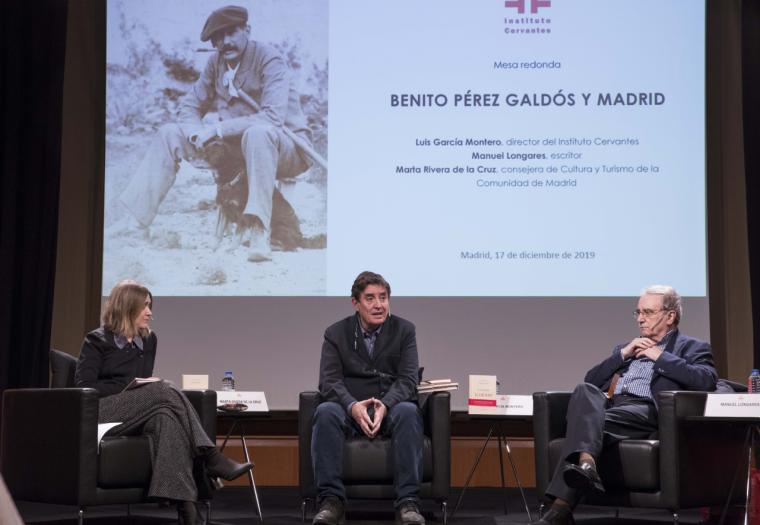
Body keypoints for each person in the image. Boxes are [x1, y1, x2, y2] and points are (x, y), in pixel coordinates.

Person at [117, 5, 312, 262]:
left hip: (287, 148)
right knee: (169, 133)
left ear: (247, 30)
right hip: (237, 149)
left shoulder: (269, 59)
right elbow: (190, 105)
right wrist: (196, 133)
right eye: (218, 37)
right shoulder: (216, 63)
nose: (225, 42)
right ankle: (136, 221)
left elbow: (272, 118)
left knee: (258, 133)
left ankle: (259, 231)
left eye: (231, 33)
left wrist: (217, 129)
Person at [532, 285, 718, 525]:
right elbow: (591, 381)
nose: (640, 319)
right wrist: (622, 355)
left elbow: (706, 380)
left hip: (647, 410)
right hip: (613, 408)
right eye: (638, 312)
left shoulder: (691, 347)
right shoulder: (626, 349)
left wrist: (659, 357)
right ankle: (586, 464)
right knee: (584, 390)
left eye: (648, 312)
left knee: (584, 428)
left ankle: (562, 507)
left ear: (670, 316)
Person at [75, 280, 253, 524]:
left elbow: (144, 386)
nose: (150, 312)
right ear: (127, 307)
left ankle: (188, 511)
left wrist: (140, 387)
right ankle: (211, 456)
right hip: (102, 413)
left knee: (166, 418)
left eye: (150, 306)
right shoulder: (97, 341)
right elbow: (84, 387)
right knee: (164, 388)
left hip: (136, 412)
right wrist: (126, 388)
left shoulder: (148, 341)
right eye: (145, 306)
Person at [311, 271, 426, 525]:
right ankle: (331, 501)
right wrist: (352, 406)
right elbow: (329, 381)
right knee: (326, 411)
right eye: (371, 298)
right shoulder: (336, 333)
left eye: (383, 298)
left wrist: (385, 404)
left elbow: (408, 380)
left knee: (408, 412)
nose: (379, 305)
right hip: (350, 408)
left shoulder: (405, 330)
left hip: (390, 406)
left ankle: (408, 503)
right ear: (355, 303)